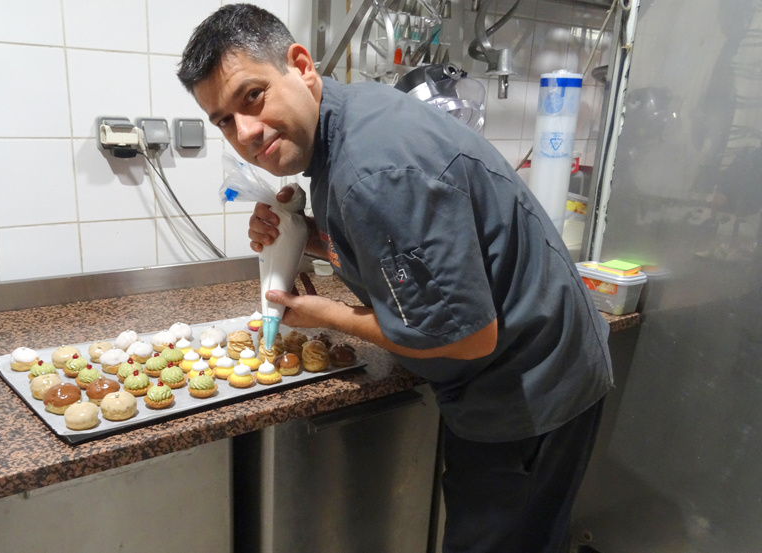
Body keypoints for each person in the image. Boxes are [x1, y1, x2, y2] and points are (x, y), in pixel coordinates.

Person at [178, 5, 613, 552]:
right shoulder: (347, 120)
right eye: (222, 120)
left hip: (530, 387)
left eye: (252, 95)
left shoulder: (373, 167)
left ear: (300, 65)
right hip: (530, 363)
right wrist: (306, 235)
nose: (244, 132)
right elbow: (399, 245)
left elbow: (466, 336)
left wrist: (326, 316)